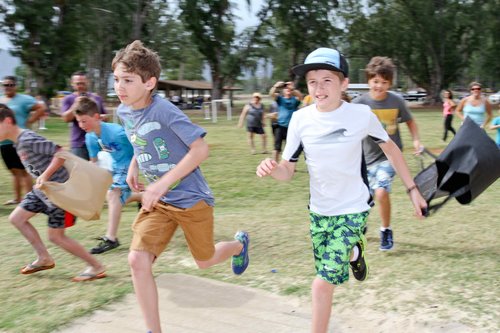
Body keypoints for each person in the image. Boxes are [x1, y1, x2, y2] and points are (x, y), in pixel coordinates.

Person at [256, 47, 427, 333]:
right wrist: (274, 168)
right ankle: (355, 253)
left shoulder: (361, 115)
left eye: (327, 80)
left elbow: (392, 150)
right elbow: (288, 170)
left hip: (354, 208)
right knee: (327, 274)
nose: (319, 88)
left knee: (322, 282)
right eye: (312, 81)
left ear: (344, 83)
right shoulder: (300, 120)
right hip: (320, 211)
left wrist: (412, 189)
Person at [112, 40, 250, 333]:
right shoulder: (124, 112)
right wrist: (134, 167)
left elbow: (200, 150)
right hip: (158, 203)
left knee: (205, 260)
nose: (119, 87)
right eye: (116, 79)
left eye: (127, 80)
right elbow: (139, 140)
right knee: (137, 260)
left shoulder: (164, 110)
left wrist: (160, 184)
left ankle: (239, 244)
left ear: (149, 83)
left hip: (191, 199)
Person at [0, 104, 106, 281]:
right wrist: (40, 180)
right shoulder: (18, 143)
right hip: (42, 191)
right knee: (16, 218)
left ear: (8, 121)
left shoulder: (28, 138)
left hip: (60, 192)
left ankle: (96, 266)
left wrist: (45, 175)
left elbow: (60, 153)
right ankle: (44, 258)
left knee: (56, 237)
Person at [352, 56, 423, 251]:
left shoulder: (396, 101)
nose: (379, 86)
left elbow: (410, 121)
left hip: (389, 157)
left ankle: (385, 230)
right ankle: (361, 224)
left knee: (381, 192)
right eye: (375, 81)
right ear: (368, 80)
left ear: (390, 83)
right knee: (364, 196)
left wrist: (416, 140)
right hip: (365, 159)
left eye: (384, 83)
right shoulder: (359, 103)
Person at [73, 96, 142, 254]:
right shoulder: (90, 137)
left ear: (96, 117)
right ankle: (144, 197)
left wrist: (135, 170)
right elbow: (93, 162)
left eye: (84, 121)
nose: (81, 125)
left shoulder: (118, 133)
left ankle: (111, 239)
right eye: (78, 121)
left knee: (113, 194)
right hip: (116, 167)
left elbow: (140, 147)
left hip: (130, 164)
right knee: (111, 197)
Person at [0, 76, 46, 205]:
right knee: (14, 171)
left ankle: (32, 200)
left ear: (16, 86)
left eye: (11, 85)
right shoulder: (1, 99)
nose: (8, 87)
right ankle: (17, 199)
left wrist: (30, 120)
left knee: (25, 171)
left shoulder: (24, 99)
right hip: (4, 142)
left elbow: (41, 108)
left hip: (19, 140)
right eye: (5, 85)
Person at [60, 71, 107, 160]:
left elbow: (105, 116)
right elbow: (65, 119)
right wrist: (76, 104)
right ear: (72, 84)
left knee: (99, 171)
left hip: (98, 141)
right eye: (78, 84)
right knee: (81, 172)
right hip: (78, 143)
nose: (80, 86)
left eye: (83, 83)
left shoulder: (96, 98)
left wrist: (103, 117)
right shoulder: (68, 99)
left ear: (87, 82)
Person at [269, 80, 303, 162]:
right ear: (283, 91)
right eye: (286, 88)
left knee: (291, 147)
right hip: (280, 127)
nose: (287, 89)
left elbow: (300, 96)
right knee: (277, 148)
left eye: (289, 88)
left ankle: (290, 165)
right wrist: (276, 86)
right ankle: (274, 165)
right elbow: (271, 94)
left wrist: (292, 88)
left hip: (291, 128)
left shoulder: (294, 100)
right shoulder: (280, 99)